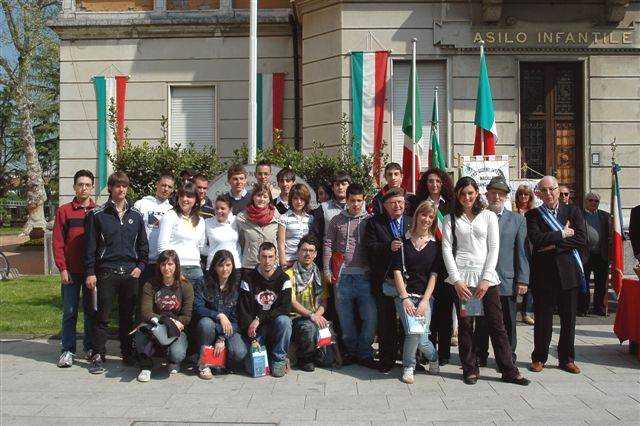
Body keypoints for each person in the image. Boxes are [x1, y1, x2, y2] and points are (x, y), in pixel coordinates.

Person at [442, 176, 529, 386]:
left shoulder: (488, 216)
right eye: (463, 193)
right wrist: (456, 280)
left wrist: (487, 278)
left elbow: (494, 248)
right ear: (457, 195)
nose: (467, 197)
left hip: (485, 280)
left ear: (476, 193)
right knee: (467, 324)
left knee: (496, 324)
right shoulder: (451, 218)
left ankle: (508, 369)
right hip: (464, 279)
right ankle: (470, 369)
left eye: (470, 193)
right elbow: (446, 249)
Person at [84, 171, 149, 374]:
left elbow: (143, 247)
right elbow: (90, 248)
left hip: (130, 273)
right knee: (101, 315)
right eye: (118, 186)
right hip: (106, 272)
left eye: (125, 186)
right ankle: (97, 354)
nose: (122, 190)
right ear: (110, 188)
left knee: (127, 316)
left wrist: (140, 267)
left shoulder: (136, 216)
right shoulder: (97, 215)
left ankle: (127, 353)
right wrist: (90, 272)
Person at [526, 175, 587, 375]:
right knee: (543, 320)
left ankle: (567, 359)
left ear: (559, 190)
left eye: (552, 189)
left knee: (568, 319)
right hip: (544, 276)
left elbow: (581, 239)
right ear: (539, 193)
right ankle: (539, 357)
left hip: (568, 274)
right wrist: (561, 235)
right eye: (544, 190)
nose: (549, 193)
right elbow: (536, 240)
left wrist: (552, 244)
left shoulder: (573, 211)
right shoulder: (533, 215)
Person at [473, 176, 529, 369]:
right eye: (493, 193)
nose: (496, 197)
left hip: (506, 279)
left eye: (501, 194)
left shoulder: (517, 220)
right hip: (481, 279)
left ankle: (507, 355)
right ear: (486, 195)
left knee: (507, 322)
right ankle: (480, 353)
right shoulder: (478, 217)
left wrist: (522, 279)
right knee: (481, 320)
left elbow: (521, 252)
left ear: (506, 197)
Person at [323, 183, 377, 368]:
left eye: (359, 201)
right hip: (342, 276)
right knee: (345, 319)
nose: (355, 204)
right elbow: (328, 244)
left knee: (370, 317)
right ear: (346, 200)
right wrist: (327, 270)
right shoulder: (336, 220)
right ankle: (351, 352)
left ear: (364, 201)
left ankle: (365, 351)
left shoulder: (369, 220)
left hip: (365, 276)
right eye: (352, 200)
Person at [408, 167, 458, 365]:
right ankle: (424, 353)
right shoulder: (418, 204)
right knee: (425, 308)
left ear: (443, 183)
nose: (434, 185)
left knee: (444, 310)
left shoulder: (451, 205)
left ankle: (443, 353)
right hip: (424, 261)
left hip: (445, 261)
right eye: (430, 181)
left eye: (437, 181)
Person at [389, 201, 441, 384]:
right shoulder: (402, 242)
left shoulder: (436, 245)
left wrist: (426, 300)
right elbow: (396, 271)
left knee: (422, 338)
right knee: (413, 332)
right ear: (417, 215)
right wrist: (404, 298)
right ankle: (409, 366)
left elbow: (434, 275)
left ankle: (433, 357)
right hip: (405, 296)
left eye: (430, 217)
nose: (426, 219)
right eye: (423, 215)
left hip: (425, 297)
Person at [363, 187, 411, 373]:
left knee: (408, 320)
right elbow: (369, 247)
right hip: (385, 278)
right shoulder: (375, 223)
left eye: (400, 202)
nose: (397, 206)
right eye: (393, 203)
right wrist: (387, 247)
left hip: (409, 280)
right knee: (386, 321)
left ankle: (409, 357)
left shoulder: (411, 222)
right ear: (385, 206)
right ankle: (386, 358)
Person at [52, 169, 97, 368]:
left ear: (92, 187)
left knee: (90, 311)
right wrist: (62, 268)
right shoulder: (64, 211)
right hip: (70, 271)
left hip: (91, 272)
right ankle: (68, 350)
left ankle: (89, 347)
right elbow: (58, 242)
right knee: (70, 311)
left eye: (87, 184)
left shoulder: (98, 212)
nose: (84, 188)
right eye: (80, 184)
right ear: (74, 187)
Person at [135, 250, 194, 382]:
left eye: (170, 264)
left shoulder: (185, 286)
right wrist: (165, 320)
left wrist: (174, 323)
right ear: (158, 266)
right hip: (154, 325)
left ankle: (172, 360)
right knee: (140, 335)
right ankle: (146, 366)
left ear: (176, 266)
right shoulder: (150, 285)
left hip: (175, 329)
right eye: (163, 265)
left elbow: (187, 315)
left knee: (177, 354)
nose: (167, 268)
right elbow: (145, 312)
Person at [238, 242, 293, 378]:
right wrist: (253, 337)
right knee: (253, 370)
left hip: (274, 325)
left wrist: (260, 318)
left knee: (285, 321)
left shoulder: (283, 278)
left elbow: (285, 308)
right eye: (263, 257)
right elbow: (243, 310)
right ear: (258, 257)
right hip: (255, 330)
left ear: (275, 258)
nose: (267, 261)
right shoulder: (248, 278)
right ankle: (264, 353)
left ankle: (279, 358)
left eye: (270, 257)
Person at [194, 250, 247, 379]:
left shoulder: (237, 285)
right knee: (205, 323)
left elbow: (237, 319)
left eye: (228, 265)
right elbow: (198, 308)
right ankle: (204, 363)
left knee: (240, 352)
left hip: (228, 329)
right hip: (209, 327)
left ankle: (219, 363)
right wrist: (219, 315)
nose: (225, 269)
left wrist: (222, 338)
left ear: (233, 266)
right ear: (214, 266)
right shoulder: (203, 282)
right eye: (221, 265)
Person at [286, 235, 329, 372]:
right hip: (296, 318)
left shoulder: (319, 275)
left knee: (328, 360)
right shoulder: (289, 274)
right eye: (304, 250)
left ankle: (317, 354)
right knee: (309, 328)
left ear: (316, 254)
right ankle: (305, 359)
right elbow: (291, 302)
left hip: (315, 315)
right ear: (298, 252)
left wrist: (317, 315)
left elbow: (324, 301)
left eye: (311, 251)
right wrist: (311, 316)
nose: (307, 254)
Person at [134, 175, 176, 302]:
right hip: (143, 261)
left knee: (159, 300)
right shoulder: (141, 204)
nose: (165, 189)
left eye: (169, 187)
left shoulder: (172, 210)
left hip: (162, 263)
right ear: (157, 185)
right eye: (163, 185)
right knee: (142, 300)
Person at [157, 182, 206, 288]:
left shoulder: (201, 220)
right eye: (182, 196)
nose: (185, 199)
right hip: (177, 269)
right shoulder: (170, 216)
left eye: (189, 196)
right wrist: (170, 269)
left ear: (196, 199)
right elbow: (162, 246)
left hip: (196, 270)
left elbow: (201, 247)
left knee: (198, 304)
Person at [236, 183, 281, 269]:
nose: (261, 199)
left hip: (271, 266)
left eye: (265, 196)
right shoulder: (242, 218)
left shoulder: (277, 217)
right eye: (258, 196)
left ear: (269, 199)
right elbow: (240, 242)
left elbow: (280, 241)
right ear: (253, 197)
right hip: (250, 266)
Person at [579, 192, 611, 317]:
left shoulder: (605, 216)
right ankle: (583, 307)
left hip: (600, 255)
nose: (593, 203)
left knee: (601, 283)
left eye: (596, 201)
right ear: (586, 201)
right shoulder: (579, 215)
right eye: (591, 200)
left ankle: (599, 307)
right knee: (584, 283)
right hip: (585, 254)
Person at [311, 171, 350, 269]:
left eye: (343, 184)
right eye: (337, 184)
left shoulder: (358, 206)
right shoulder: (323, 208)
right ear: (332, 188)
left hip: (354, 262)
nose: (340, 187)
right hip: (329, 262)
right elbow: (315, 236)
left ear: (349, 186)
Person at [514, 184, 535, 325]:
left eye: (526, 195)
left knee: (529, 280)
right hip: (514, 249)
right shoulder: (513, 211)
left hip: (530, 248)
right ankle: (512, 310)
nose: (523, 197)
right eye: (521, 194)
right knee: (514, 279)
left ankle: (527, 312)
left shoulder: (533, 212)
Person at [278, 183, 313, 268]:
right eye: (295, 198)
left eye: (302, 199)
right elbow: (281, 242)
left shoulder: (310, 218)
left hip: (304, 261)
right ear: (291, 200)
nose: (299, 202)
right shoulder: (284, 218)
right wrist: (282, 261)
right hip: (288, 260)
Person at [204, 194, 241, 269]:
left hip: (235, 266)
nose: (219, 211)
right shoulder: (207, 223)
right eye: (217, 208)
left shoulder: (236, 221)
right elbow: (201, 246)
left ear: (230, 209)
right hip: (214, 266)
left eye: (222, 208)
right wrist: (213, 253)